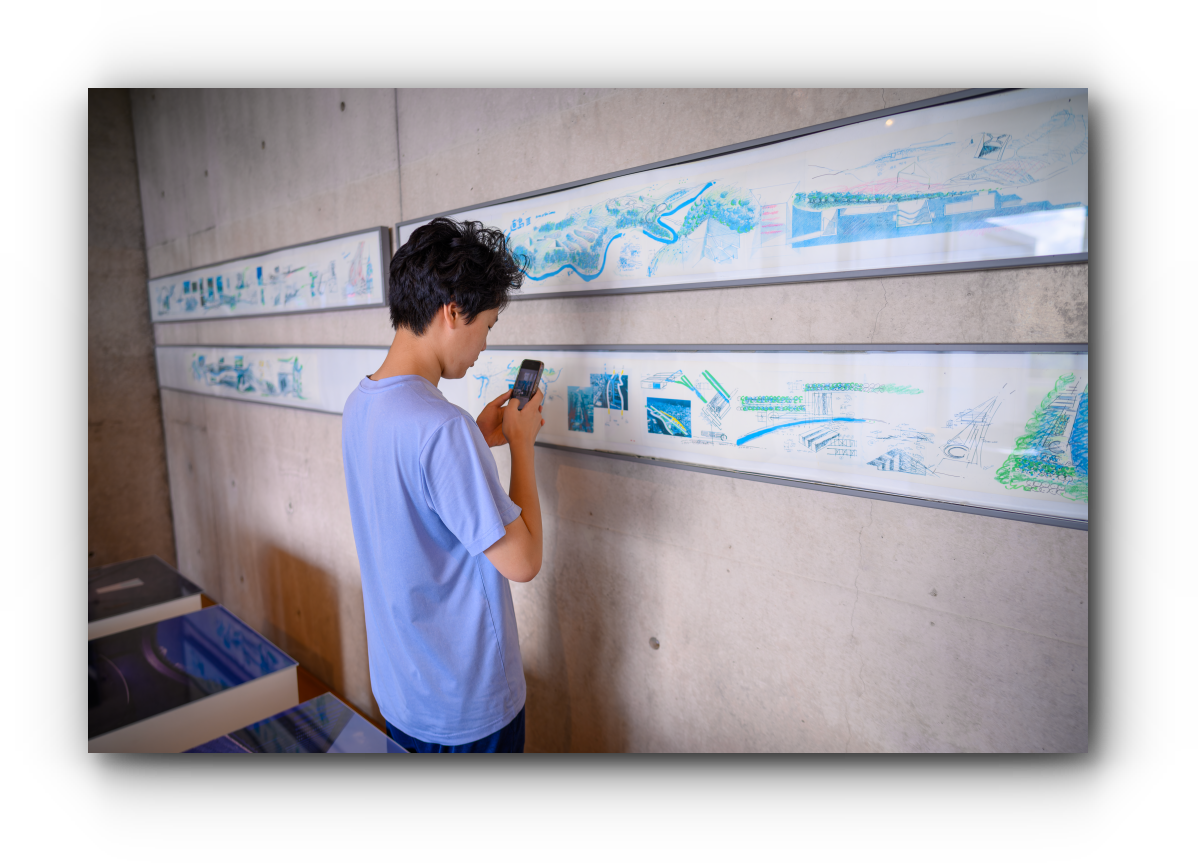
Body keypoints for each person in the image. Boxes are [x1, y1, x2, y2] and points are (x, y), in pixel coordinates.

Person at [341, 217, 543, 753]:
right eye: (488, 326)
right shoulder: (442, 428)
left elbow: (417, 505)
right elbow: (523, 562)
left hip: (402, 692)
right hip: (466, 708)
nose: (483, 346)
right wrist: (521, 444)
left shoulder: (360, 403)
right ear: (453, 312)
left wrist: (475, 441)